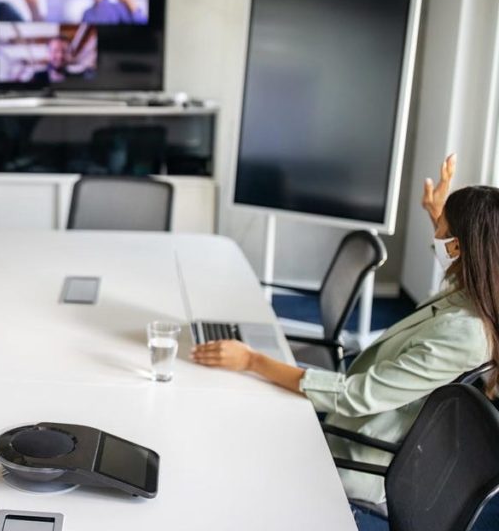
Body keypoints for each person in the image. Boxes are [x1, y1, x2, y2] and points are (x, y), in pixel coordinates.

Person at [191, 154, 496, 507]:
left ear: (459, 248)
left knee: (223, 432)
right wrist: (438, 215)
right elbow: (454, 253)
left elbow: (355, 396)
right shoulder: (474, 292)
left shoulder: (466, 333)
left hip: (356, 452)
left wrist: (252, 361)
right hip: (355, 422)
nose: (437, 236)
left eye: (443, 232)